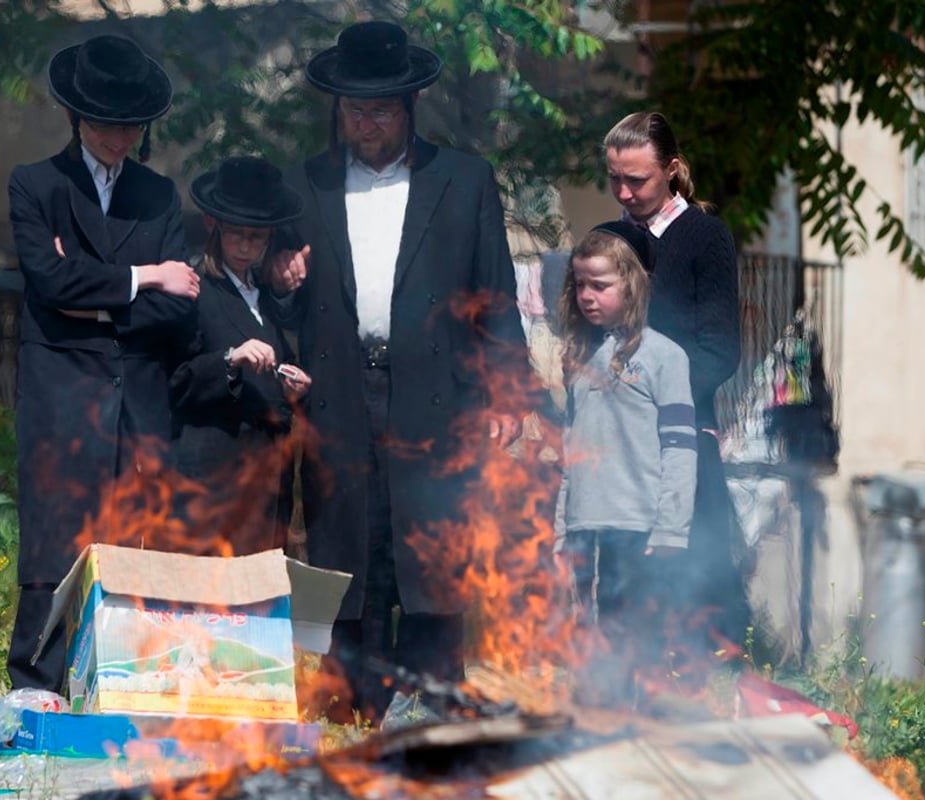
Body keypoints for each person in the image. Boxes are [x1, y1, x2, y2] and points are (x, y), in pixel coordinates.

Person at [270, 21, 530, 719]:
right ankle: (349, 698)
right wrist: (283, 283)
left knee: (431, 543)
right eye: (354, 110)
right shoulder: (306, 184)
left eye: (379, 111)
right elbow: (273, 294)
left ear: (409, 106)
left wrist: (509, 391)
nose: (365, 123)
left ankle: (432, 695)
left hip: (436, 390)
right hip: (340, 389)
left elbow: (494, 292)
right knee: (347, 539)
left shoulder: (464, 180)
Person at [7, 34, 200, 691]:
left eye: (130, 125)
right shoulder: (34, 185)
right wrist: (146, 277)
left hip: (137, 400)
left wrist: (95, 298)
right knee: (54, 543)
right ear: (74, 118)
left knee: (134, 544)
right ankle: (36, 689)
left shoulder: (160, 194)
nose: (119, 137)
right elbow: (49, 284)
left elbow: (181, 310)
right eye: (105, 123)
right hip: (61, 397)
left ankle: (122, 685)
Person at [603, 111, 747, 642]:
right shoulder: (607, 239)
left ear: (671, 171)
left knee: (690, 600)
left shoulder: (705, 237)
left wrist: (657, 398)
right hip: (614, 448)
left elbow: (720, 350)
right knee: (620, 598)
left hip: (679, 442)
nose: (623, 191)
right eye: (614, 177)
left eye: (636, 179)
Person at [554, 222, 696, 705]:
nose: (586, 296)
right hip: (584, 527)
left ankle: (645, 733)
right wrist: (560, 529)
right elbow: (572, 455)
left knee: (638, 641)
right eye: (579, 285)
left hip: (638, 529)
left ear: (631, 284)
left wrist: (671, 527)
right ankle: (600, 730)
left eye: (600, 285)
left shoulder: (665, 357)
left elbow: (679, 448)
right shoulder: (579, 358)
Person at [170, 156, 312, 555]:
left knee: (258, 604)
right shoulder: (195, 290)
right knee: (209, 603)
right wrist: (230, 360)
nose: (247, 247)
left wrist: (291, 386)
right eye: (237, 235)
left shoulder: (265, 297)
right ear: (214, 228)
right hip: (214, 481)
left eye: (258, 238)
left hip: (266, 479)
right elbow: (177, 379)